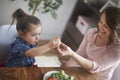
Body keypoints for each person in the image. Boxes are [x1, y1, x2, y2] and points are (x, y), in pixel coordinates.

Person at [57, 6, 120, 80]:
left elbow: (95, 67)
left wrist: (71, 53)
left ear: (115, 30)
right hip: (85, 73)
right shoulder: (92, 33)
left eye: (106, 26)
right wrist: (67, 66)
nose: (100, 28)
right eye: (100, 22)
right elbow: (81, 53)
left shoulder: (117, 51)